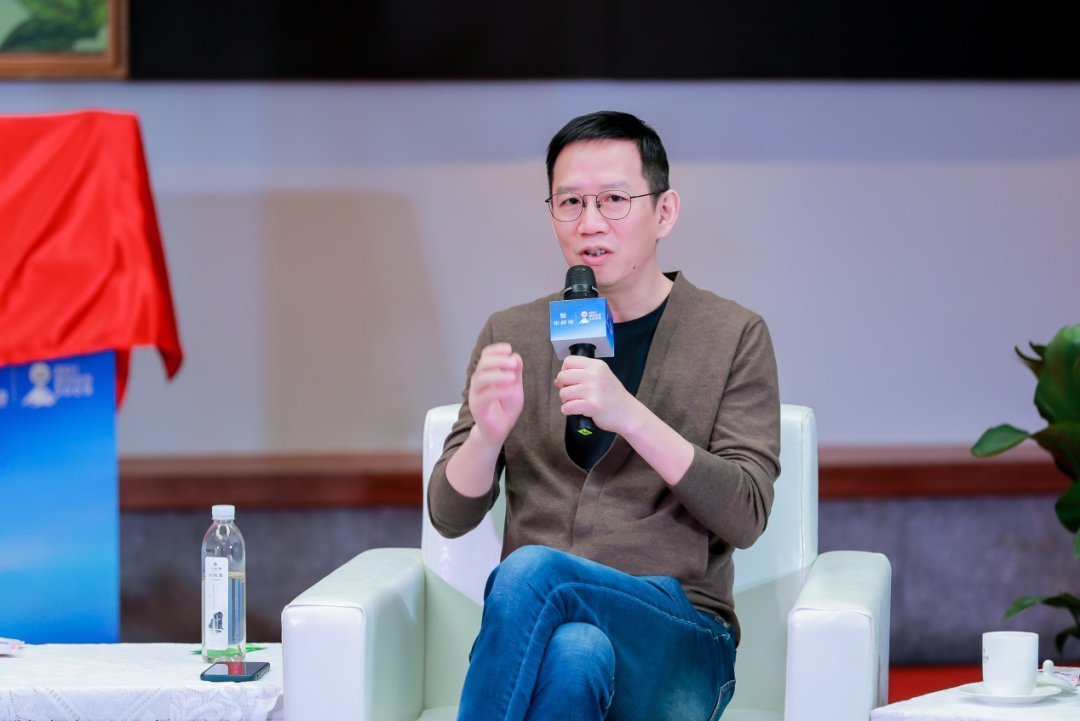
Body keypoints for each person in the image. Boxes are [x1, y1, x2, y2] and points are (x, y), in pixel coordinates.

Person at [428, 110, 781, 721]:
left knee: (532, 571)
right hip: (550, 639)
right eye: (570, 202)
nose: (590, 223)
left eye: (614, 200)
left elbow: (746, 515)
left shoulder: (733, 334)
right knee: (574, 654)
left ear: (664, 211)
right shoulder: (511, 333)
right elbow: (449, 516)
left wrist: (630, 415)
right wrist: (486, 436)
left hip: (680, 635)